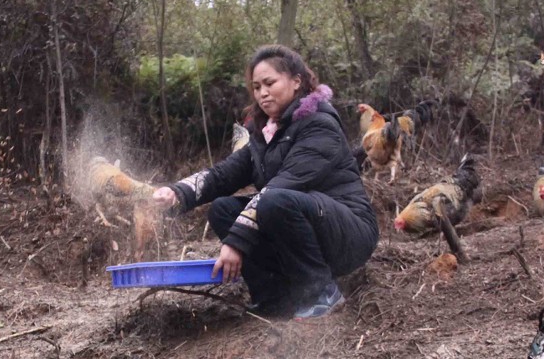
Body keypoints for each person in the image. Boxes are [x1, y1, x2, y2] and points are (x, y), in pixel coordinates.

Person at [152, 45, 377, 320]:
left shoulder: (320, 125)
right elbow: (225, 173)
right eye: (256, 87)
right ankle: (275, 298)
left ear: (296, 81)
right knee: (223, 209)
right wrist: (178, 192)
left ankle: (321, 292)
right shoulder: (266, 133)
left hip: (348, 233)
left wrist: (236, 242)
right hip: (304, 222)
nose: (262, 93)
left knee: (274, 200)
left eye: (270, 83)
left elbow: (284, 185)